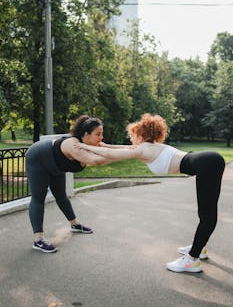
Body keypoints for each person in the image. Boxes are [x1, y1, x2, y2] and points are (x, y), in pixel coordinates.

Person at [76, 113, 225, 273]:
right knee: (207, 215)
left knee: (207, 216)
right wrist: (102, 144)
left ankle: (192, 260)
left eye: (132, 136)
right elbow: (122, 148)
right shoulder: (149, 146)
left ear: (140, 137)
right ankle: (199, 247)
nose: (131, 139)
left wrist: (85, 146)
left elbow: (113, 155)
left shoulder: (144, 150)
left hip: (207, 164)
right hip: (208, 161)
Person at [26, 115, 130, 253]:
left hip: (56, 165)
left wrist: (134, 149)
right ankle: (38, 240)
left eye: (101, 134)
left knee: (61, 196)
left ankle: (74, 225)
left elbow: (111, 148)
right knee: (39, 198)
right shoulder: (73, 145)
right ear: (86, 135)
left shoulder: (91, 144)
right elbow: (96, 161)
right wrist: (131, 155)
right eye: (98, 134)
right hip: (38, 157)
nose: (101, 138)